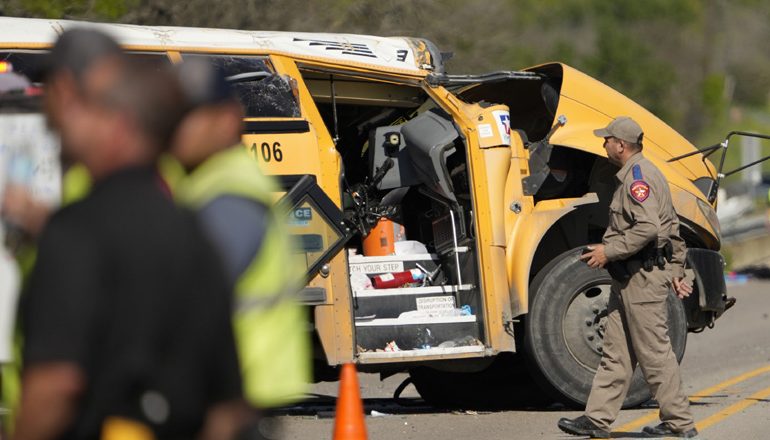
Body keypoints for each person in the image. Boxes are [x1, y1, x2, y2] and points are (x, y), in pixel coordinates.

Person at [14, 33, 243, 440]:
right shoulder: (190, 228)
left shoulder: (77, 232)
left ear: (117, 124)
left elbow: (56, 384)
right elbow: (226, 400)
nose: (58, 122)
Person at [172, 59, 311, 411]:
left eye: (193, 115)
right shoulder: (200, 180)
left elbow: (185, 290)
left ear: (229, 118)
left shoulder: (229, 193)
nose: (179, 129)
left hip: (230, 398)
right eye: (170, 116)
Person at [557, 116, 697, 439]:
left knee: (654, 353)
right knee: (616, 353)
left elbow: (648, 228)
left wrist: (609, 251)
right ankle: (597, 419)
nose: (603, 144)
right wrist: (677, 269)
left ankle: (680, 424)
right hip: (629, 279)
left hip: (643, 280)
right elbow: (671, 226)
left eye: (606, 140)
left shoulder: (638, 178)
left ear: (621, 145)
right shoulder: (642, 174)